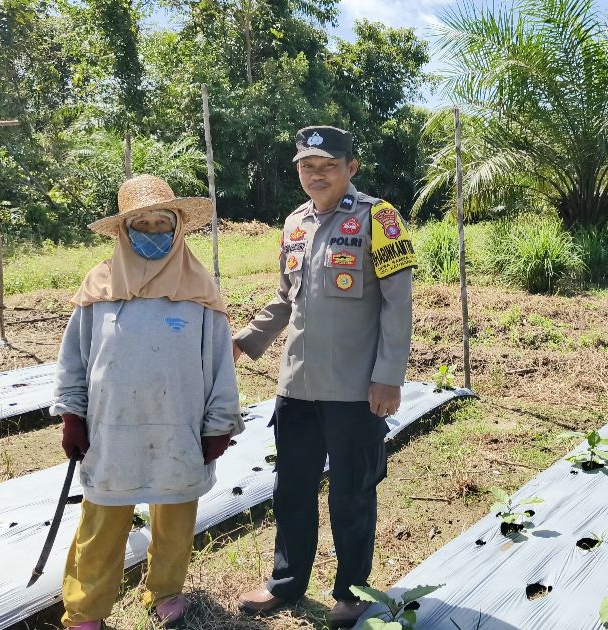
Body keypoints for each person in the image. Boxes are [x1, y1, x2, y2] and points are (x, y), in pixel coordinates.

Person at [233, 126, 416, 628]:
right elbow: (284, 298)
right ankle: (285, 582)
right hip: (297, 386)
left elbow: (398, 305)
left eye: (328, 165)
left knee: (352, 492)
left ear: (350, 168)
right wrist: (245, 341)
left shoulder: (379, 218)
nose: (316, 174)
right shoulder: (294, 223)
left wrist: (388, 377)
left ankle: (351, 592)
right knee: (291, 487)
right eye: (306, 166)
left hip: (355, 389)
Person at [51, 174, 243, 630]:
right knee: (101, 520)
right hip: (111, 429)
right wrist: (72, 415)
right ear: (123, 230)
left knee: (175, 516)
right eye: (143, 224)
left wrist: (218, 424)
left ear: (177, 228)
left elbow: (219, 362)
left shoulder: (199, 288)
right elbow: (74, 359)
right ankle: (85, 609)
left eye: (163, 223)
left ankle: (164, 590)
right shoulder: (98, 286)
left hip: (178, 427)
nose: (154, 232)